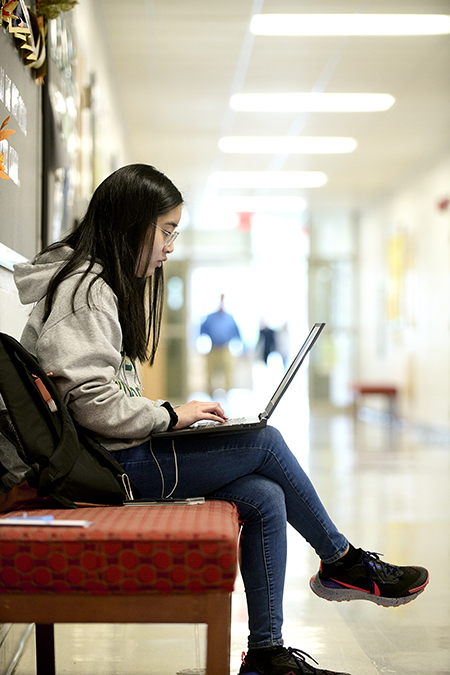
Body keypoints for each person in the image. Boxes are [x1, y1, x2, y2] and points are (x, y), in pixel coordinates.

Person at [14, 164, 429, 675]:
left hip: (109, 455)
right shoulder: (85, 291)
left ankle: (266, 655)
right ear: (133, 222)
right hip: (102, 466)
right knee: (265, 440)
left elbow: (100, 393)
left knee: (264, 495)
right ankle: (343, 561)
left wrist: (168, 416)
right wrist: (169, 414)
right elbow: (94, 404)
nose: (170, 246)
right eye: (166, 231)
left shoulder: (89, 285)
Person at [200, 293, 242, 395]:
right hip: (213, 349)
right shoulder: (210, 317)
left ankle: (227, 396)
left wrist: (242, 351)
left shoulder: (230, 318)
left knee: (228, 374)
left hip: (225, 349)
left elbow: (238, 335)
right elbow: (201, 332)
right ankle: (210, 396)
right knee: (210, 374)